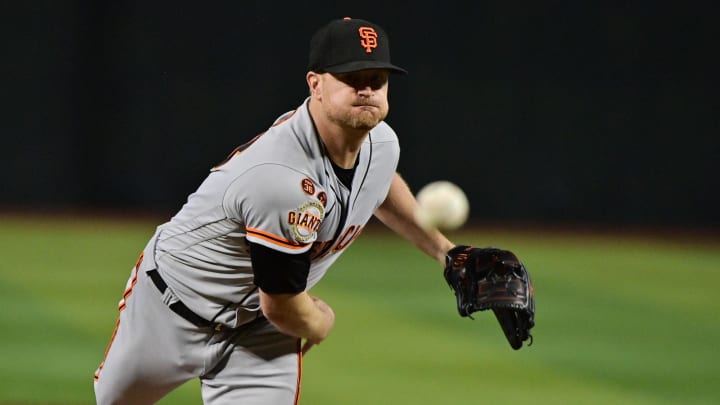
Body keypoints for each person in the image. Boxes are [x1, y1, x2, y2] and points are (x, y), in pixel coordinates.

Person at [94, 17, 456, 404]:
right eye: (352, 78)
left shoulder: (381, 143)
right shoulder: (280, 177)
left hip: (260, 332)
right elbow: (283, 304)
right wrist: (319, 324)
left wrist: (447, 253)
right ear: (315, 84)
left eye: (377, 79)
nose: (366, 89)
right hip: (170, 310)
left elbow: (377, 184)